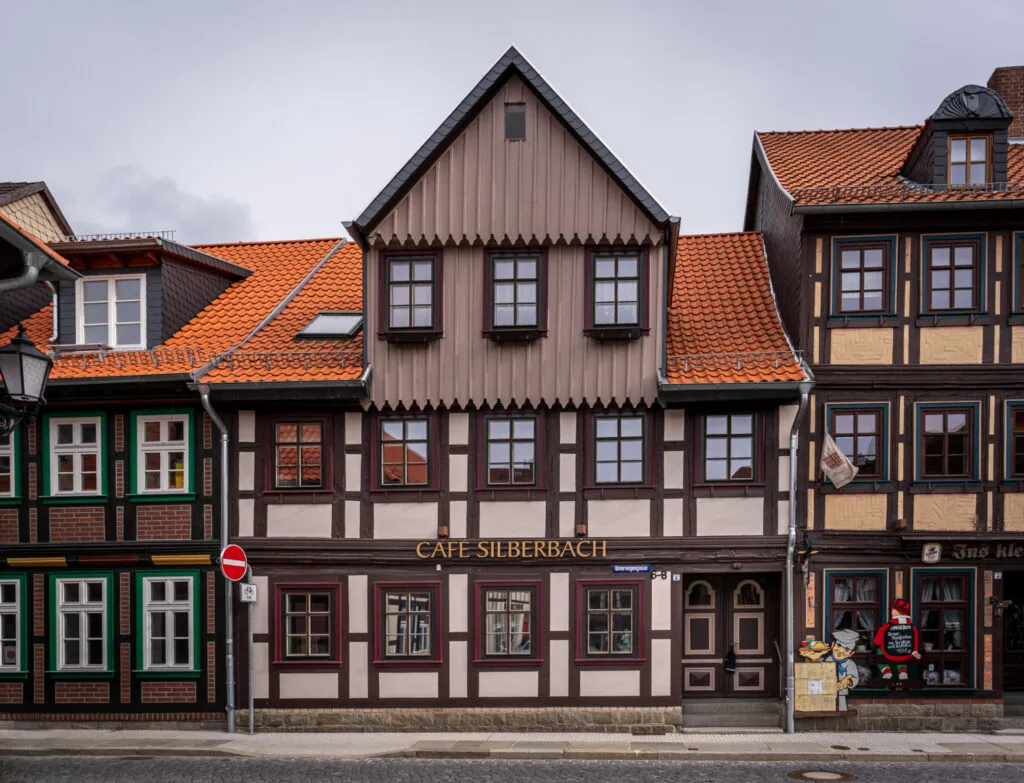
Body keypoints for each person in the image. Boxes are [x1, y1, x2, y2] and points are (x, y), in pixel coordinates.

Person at [872, 598, 921, 680]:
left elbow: (876, 642)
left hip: (889, 656)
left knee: (879, 651)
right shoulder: (913, 628)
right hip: (906, 656)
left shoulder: (885, 627)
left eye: (892, 610)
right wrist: (915, 652)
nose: (891, 612)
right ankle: (902, 671)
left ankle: (886, 671)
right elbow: (914, 643)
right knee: (902, 650)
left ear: (897, 611)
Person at [827, 629, 860, 711]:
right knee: (827, 708)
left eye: (846, 649)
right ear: (833, 645)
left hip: (842, 693)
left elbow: (854, 678)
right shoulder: (828, 660)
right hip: (828, 692)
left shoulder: (850, 664)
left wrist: (848, 681)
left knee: (841, 710)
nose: (840, 651)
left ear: (851, 653)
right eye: (838, 645)